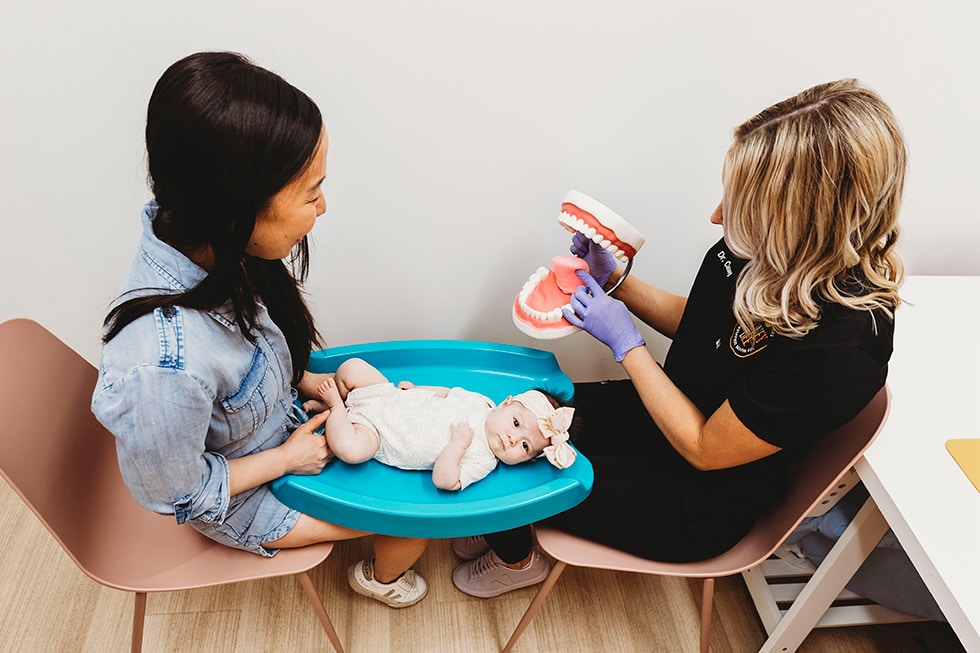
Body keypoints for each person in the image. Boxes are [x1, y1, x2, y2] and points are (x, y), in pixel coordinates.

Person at [452, 78, 906, 598]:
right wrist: (617, 282)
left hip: (698, 496)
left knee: (516, 478)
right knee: (520, 420)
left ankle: (518, 559)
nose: (716, 217)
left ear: (803, 222)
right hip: (666, 415)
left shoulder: (841, 350)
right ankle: (502, 522)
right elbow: (711, 325)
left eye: (738, 207)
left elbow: (705, 448)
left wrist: (628, 347)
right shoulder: (765, 249)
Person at [91, 51, 429, 609]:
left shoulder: (214, 244)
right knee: (414, 521)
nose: (323, 206)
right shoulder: (162, 366)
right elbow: (181, 495)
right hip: (240, 499)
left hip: (284, 428)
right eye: (310, 191)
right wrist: (286, 461)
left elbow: (247, 366)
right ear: (237, 206)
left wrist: (303, 383)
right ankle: (376, 579)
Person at [302, 358, 578, 491]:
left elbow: (445, 482)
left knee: (350, 451)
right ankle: (334, 405)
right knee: (352, 368)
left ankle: (336, 408)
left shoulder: (484, 460)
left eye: (525, 446)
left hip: (378, 434)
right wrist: (417, 388)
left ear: (529, 459)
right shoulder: (482, 403)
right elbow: (448, 392)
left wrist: (457, 448)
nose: (511, 439)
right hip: (387, 397)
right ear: (505, 403)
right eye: (516, 424)